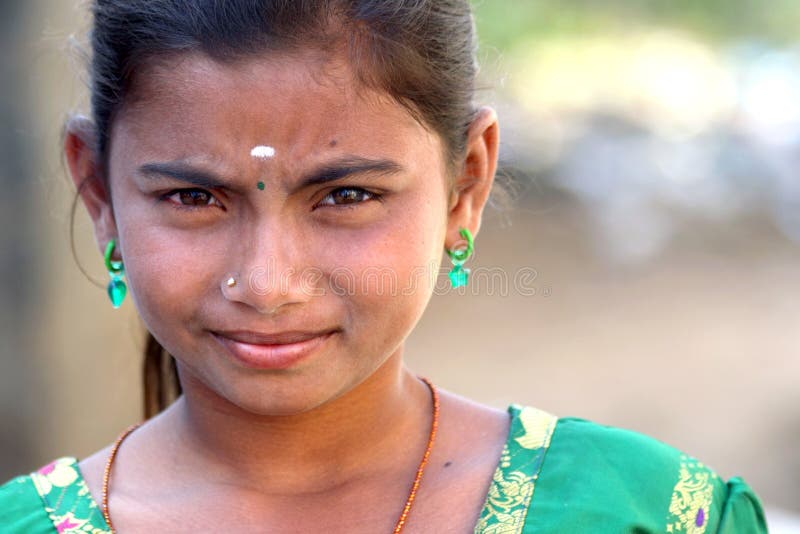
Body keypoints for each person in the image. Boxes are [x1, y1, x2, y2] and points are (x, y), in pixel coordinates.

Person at [0, 1, 768, 532]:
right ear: (98, 191)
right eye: (195, 196)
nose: (268, 284)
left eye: (347, 195)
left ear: (466, 182)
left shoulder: (642, 512)